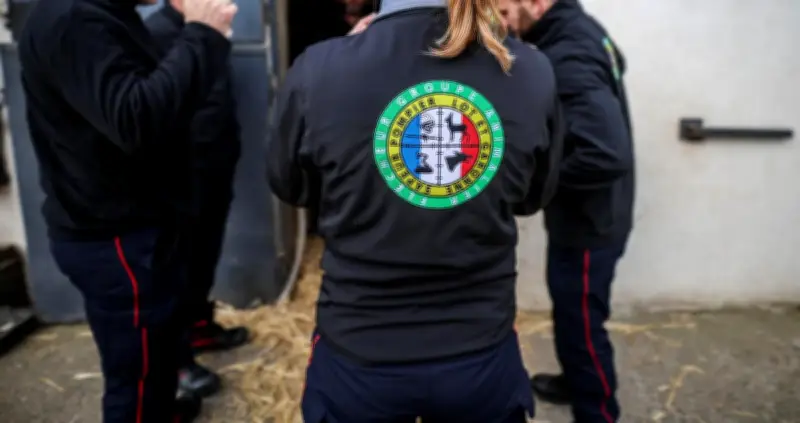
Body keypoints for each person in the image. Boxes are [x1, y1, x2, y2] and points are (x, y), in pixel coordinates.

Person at [267, 0, 564, 421]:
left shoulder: (321, 68)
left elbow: (291, 185)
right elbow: (533, 196)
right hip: (479, 352)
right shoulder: (530, 70)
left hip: (360, 356)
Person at [18, 0, 237, 421]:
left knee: (156, 364)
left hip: (139, 222)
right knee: (135, 380)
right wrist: (202, 34)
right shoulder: (72, 19)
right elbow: (137, 120)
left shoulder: (102, 12)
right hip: (116, 239)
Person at [498, 1, 635, 422]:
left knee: (582, 325)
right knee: (570, 309)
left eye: (504, 10)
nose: (500, 22)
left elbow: (606, 154)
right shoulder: (578, 30)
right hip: (596, 211)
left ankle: (598, 410)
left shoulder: (567, 53)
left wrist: (535, 184)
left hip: (589, 223)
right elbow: (618, 66)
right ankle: (576, 379)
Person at [144, 0, 248, 400]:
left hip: (212, 167)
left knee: (204, 258)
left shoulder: (205, 29)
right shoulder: (157, 33)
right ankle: (177, 361)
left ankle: (200, 327)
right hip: (182, 177)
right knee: (179, 269)